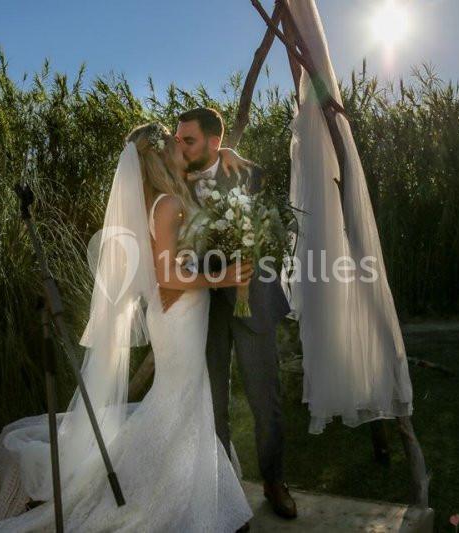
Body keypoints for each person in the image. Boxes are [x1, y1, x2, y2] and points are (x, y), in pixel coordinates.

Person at [0, 122, 257, 532]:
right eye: (174, 143)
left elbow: (204, 177)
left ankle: (208, 497)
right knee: (178, 404)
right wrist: (226, 275)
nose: (181, 146)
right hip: (179, 316)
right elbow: (167, 276)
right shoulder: (166, 205)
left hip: (181, 315)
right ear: (160, 155)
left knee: (187, 403)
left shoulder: (159, 200)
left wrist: (227, 153)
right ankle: (168, 500)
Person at [175, 107, 297, 520]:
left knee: (266, 399)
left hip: (252, 297)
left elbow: (269, 230)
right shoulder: (174, 179)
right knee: (213, 403)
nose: (179, 146)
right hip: (204, 305)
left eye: (187, 139)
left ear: (212, 142)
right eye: (177, 139)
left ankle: (274, 481)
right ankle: (221, 492)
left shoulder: (247, 173)